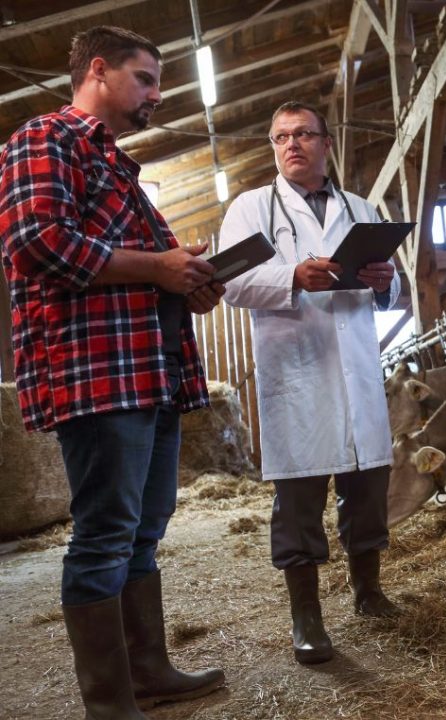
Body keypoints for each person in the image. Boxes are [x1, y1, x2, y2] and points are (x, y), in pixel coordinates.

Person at [0, 26, 226, 718]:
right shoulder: (44, 140)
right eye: (146, 79)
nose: (156, 96)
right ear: (96, 70)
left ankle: (148, 669)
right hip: (96, 370)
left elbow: (142, 262)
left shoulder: (120, 169)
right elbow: (38, 242)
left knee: (143, 528)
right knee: (103, 532)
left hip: (147, 369)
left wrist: (185, 275)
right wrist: (155, 266)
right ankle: (108, 700)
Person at [218, 101, 401, 664]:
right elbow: (229, 281)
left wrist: (383, 280)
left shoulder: (360, 206)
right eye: (280, 137)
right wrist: (291, 276)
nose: (291, 144)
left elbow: (391, 293)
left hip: (357, 369)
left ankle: (368, 591)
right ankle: (307, 617)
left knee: (367, 492)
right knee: (299, 503)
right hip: (295, 371)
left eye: (302, 134)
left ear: (326, 143)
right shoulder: (251, 206)